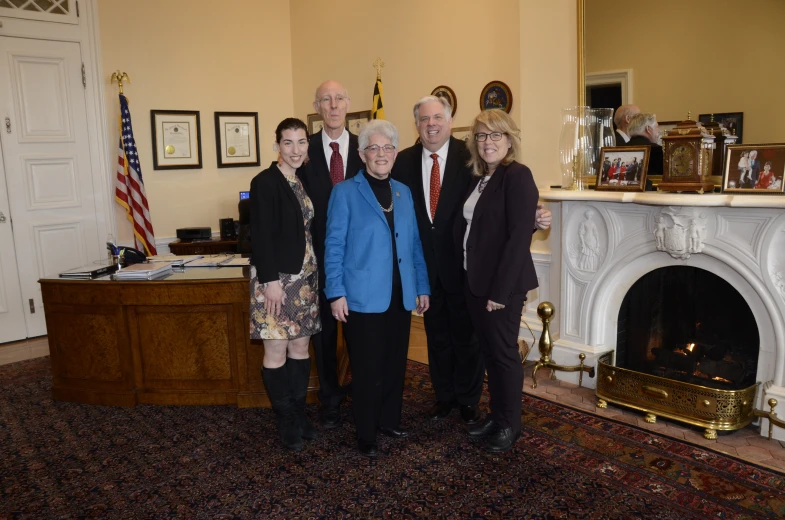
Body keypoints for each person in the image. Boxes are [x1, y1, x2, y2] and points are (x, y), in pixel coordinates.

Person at [392, 95, 552, 427]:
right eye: (424, 119)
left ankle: (469, 401)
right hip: (428, 267)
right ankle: (445, 397)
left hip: (468, 271)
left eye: (438, 117)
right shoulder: (403, 161)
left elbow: (508, 211)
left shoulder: (472, 157)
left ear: (450, 122)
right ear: (417, 124)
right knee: (437, 337)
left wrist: (532, 219)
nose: (431, 124)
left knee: (473, 341)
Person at [324, 120, 431, 458]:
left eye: (387, 148)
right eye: (374, 148)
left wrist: (421, 286)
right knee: (367, 367)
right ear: (362, 154)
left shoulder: (403, 190)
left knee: (394, 363)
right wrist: (335, 291)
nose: (381, 154)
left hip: (400, 295)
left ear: (395, 154)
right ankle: (366, 433)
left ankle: (389, 420)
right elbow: (334, 245)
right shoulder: (344, 192)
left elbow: (414, 244)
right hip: (360, 298)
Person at [453, 109, 539, 453]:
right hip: (475, 280)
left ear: (509, 139)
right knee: (489, 353)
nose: (488, 143)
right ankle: (497, 415)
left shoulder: (518, 175)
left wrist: (500, 292)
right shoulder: (481, 178)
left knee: (504, 355)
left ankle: (510, 425)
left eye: (495, 135)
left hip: (500, 286)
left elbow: (519, 236)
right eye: (482, 136)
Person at [249, 118, 321, 452]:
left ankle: (299, 413)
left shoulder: (300, 180)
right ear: (277, 145)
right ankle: (285, 419)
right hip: (277, 281)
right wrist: (270, 283)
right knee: (276, 350)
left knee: (300, 349)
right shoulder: (265, 181)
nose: (295, 149)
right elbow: (260, 235)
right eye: (288, 142)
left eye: (301, 141)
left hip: (304, 280)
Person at [298, 80, 363, 428]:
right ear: (317, 106)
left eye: (339, 98)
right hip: (318, 260)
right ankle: (330, 398)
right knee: (323, 335)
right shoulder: (302, 151)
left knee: (359, 332)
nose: (334, 105)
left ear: (348, 104)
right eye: (326, 99)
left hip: (361, 260)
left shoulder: (366, 149)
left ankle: (362, 391)